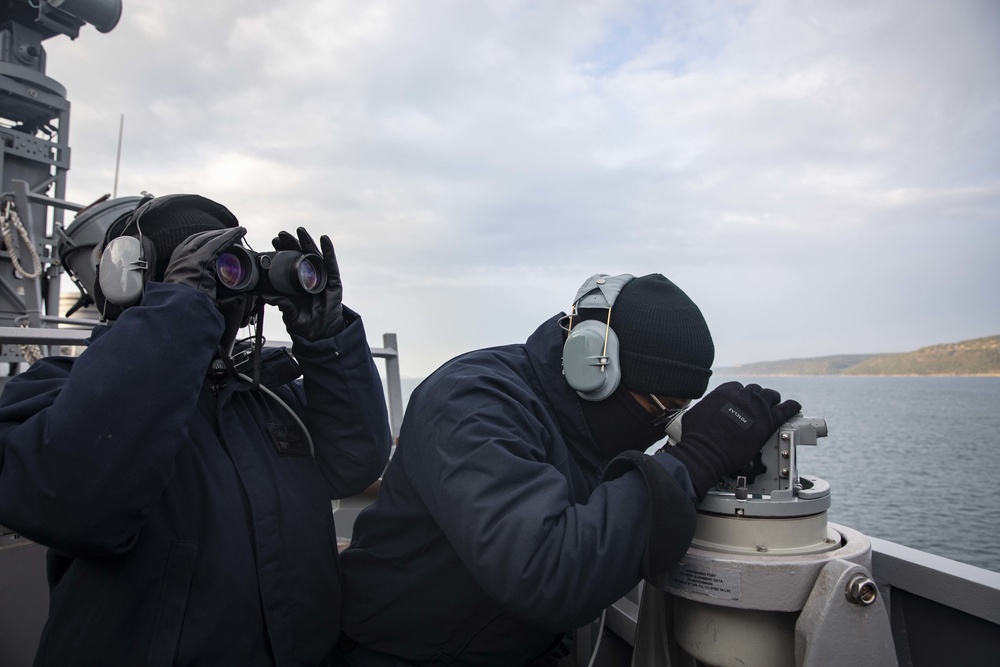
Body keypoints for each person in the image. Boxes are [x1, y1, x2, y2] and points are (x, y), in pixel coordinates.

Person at [0, 194, 392, 666]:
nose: (225, 296)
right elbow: (74, 503)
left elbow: (354, 461)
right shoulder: (57, 393)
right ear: (127, 287)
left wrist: (327, 342)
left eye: (233, 274)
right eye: (200, 273)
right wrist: (175, 316)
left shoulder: (265, 399)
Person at [334, 273, 801, 667]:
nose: (662, 429)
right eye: (662, 408)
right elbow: (545, 571)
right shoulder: (472, 402)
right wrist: (695, 460)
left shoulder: (585, 423)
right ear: (592, 366)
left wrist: (719, 465)